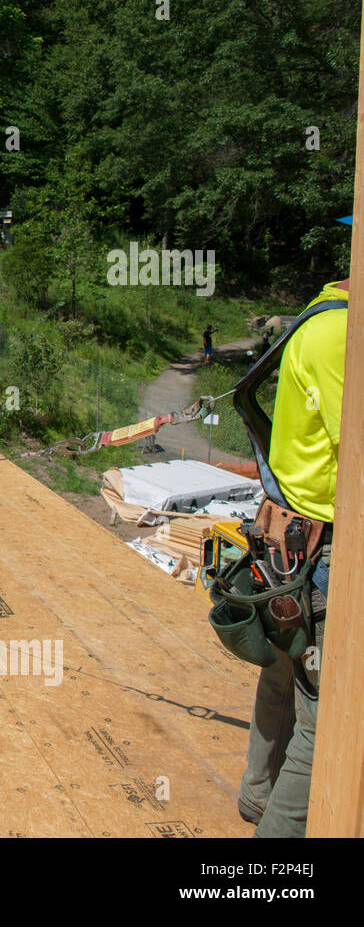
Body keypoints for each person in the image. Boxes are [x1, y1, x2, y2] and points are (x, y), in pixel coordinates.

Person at [236, 278, 347, 837]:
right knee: (322, 719)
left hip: (288, 538)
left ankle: (259, 792)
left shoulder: (320, 313)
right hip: (318, 549)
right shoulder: (345, 331)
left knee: (285, 670)